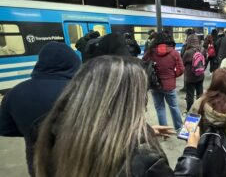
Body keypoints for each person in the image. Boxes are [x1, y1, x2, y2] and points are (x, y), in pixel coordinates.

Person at [34, 56, 201, 177]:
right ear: (128, 101)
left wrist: (144, 131)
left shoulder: (53, 135)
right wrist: (191, 151)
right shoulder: (142, 160)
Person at [0, 42, 81, 176]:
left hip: (38, 161)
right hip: (77, 160)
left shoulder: (15, 92)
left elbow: (6, 129)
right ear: (73, 62)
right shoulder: (84, 90)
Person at [143, 32, 184, 131]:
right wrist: (173, 75)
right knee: (174, 107)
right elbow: (181, 69)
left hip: (155, 85)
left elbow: (144, 64)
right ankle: (178, 128)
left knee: (160, 108)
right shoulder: (174, 53)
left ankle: (164, 130)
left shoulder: (151, 52)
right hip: (169, 86)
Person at [182, 33, 206, 112]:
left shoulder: (187, 52)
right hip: (200, 75)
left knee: (190, 95)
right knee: (200, 93)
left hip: (190, 77)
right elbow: (204, 61)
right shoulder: (202, 50)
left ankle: (189, 109)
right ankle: (200, 109)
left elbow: (183, 63)